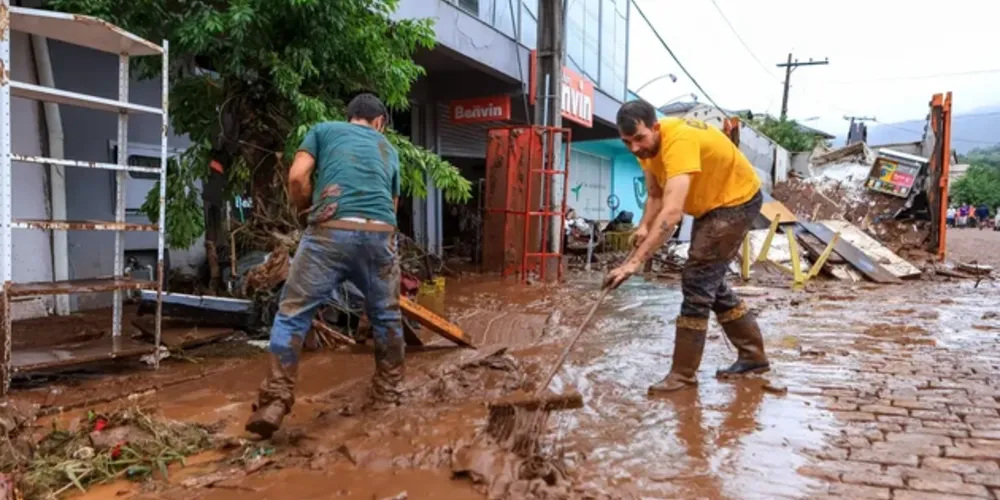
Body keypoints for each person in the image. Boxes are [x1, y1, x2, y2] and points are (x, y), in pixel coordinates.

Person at [245, 93, 404, 438]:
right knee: (387, 316)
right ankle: (388, 396)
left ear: (350, 117)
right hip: (380, 234)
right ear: (379, 123)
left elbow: (297, 178)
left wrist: (306, 211)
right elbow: (392, 207)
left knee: (292, 314)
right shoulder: (389, 150)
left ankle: (275, 401)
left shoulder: (322, 130)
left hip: (329, 231)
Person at [604, 100, 768, 394]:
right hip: (710, 206)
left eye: (639, 139)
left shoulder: (679, 141)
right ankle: (753, 356)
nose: (634, 148)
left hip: (737, 201)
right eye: (627, 142)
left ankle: (682, 376)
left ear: (655, 127)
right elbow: (655, 196)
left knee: (696, 281)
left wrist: (634, 262)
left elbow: (672, 213)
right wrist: (643, 226)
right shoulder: (646, 149)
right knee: (709, 282)